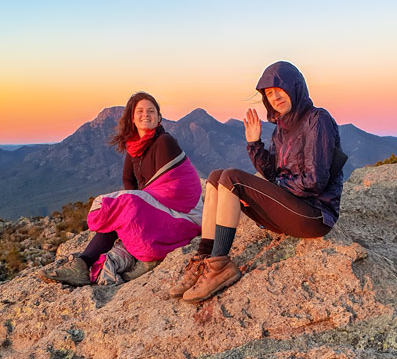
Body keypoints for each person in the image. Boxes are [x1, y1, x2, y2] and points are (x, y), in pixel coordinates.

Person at [171, 61, 347, 303]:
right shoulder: (280, 131)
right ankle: (205, 257)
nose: (274, 98)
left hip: (314, 215)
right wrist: (254, 144)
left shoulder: (317, 120)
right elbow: (273, 174)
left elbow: (315, 181)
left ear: (294, 86)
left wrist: (276, 190)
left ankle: (221, 266)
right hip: (289, 210)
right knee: (215, 178)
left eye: (279, 89)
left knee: (232, 177)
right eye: (269, 94)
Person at [45, 92, 203, 286]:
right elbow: (128, 180)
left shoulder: (164, 142)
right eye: (140, 111)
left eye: (151, 111)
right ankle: (82, 264)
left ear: (159, 118)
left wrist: (133, 205)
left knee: (125, 206)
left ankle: (86, 264)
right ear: (132, 118)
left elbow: (170, 189)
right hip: (161, 211)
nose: (146, 114)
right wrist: (132, 209)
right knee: (124, 211)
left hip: (183, 215)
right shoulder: (134, 149)